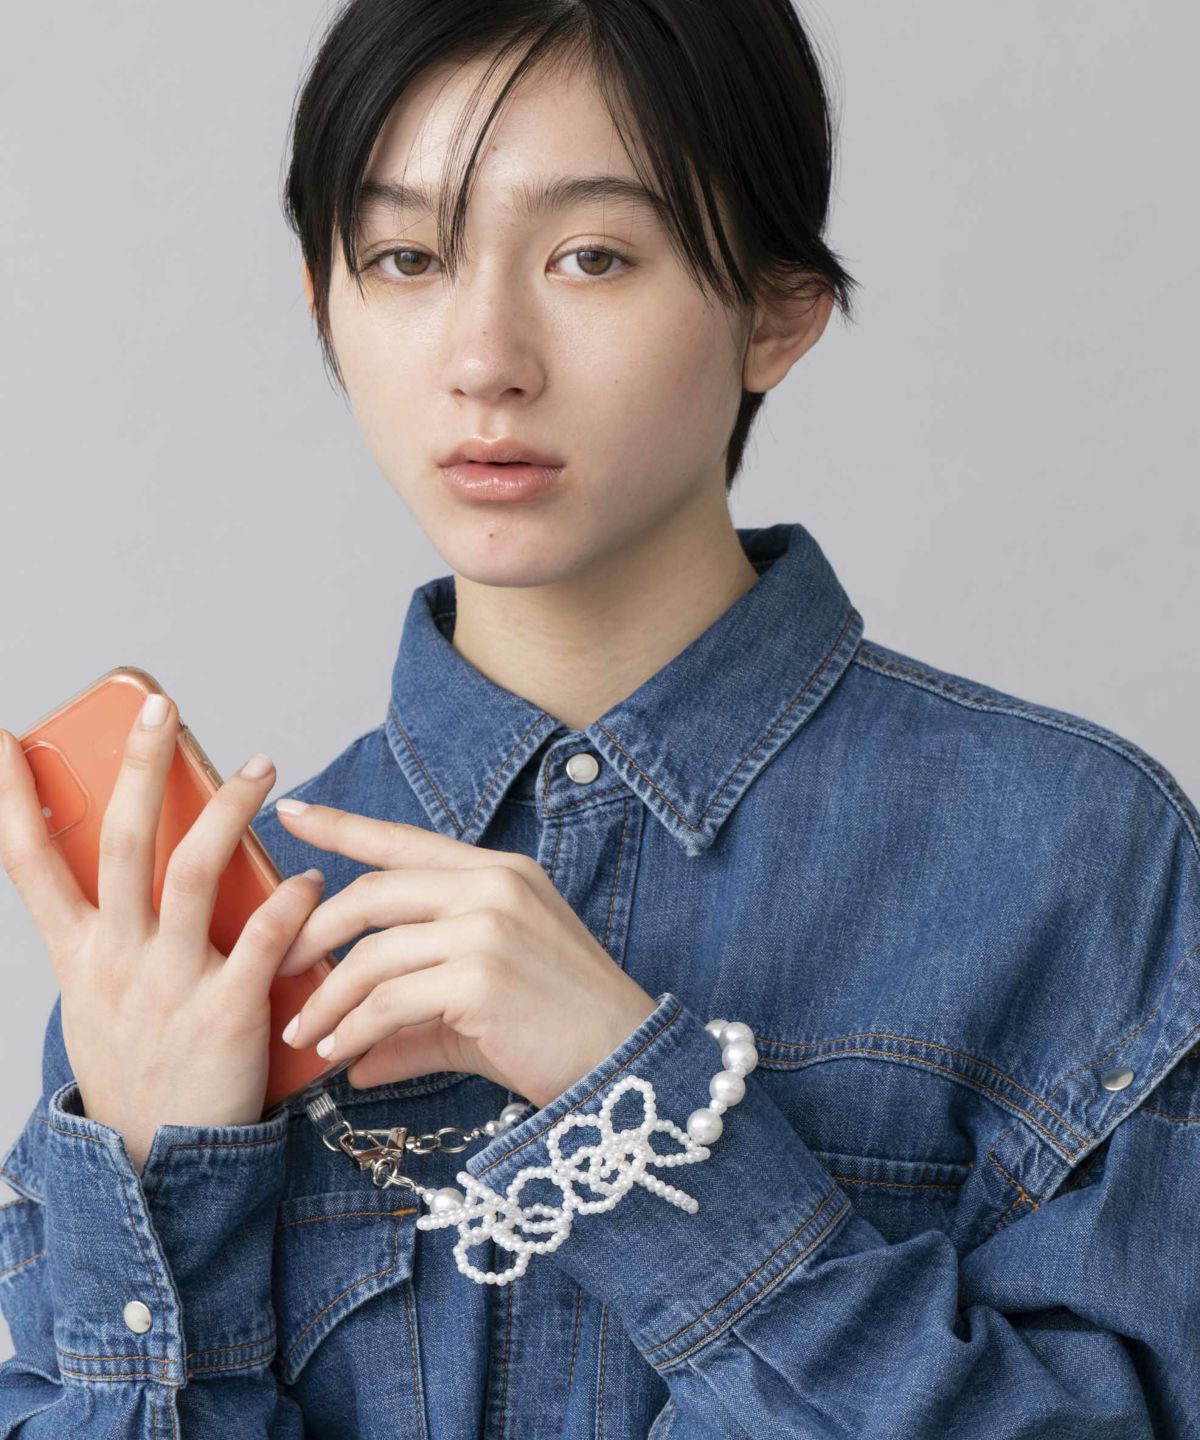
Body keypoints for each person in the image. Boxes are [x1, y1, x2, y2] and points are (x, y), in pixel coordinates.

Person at [1, 1, 1197, 1436]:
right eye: (407, 259)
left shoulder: (1074, 857)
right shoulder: (214, 942)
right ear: (326, 304)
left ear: (777, 311)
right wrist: (163, 1185)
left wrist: (638, 1115)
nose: (486, 359)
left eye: (591, 256)